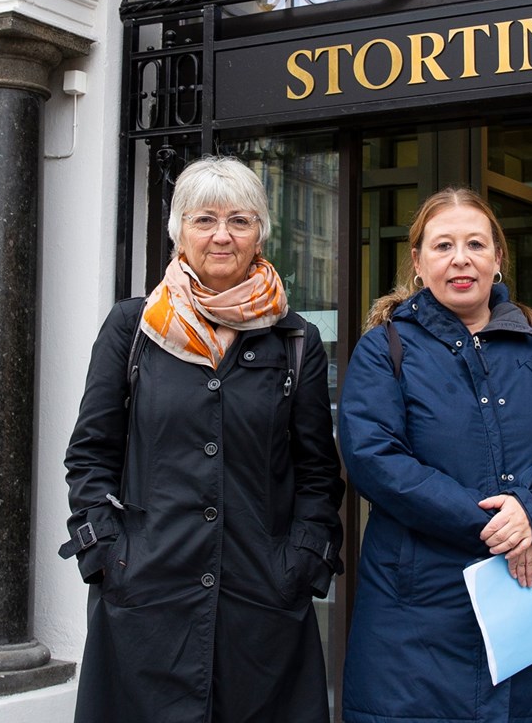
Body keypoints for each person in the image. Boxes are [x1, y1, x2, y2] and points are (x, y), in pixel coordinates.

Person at [59, 155, 344, 723]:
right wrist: (107, 556)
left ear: (260, 232)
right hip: (147, 595)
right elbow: (91, 452)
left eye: (239, 220)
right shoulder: (132, 326)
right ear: (179, 232)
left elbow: (318, 471)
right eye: (204, 220)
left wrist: (300, 565)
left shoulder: (295, 340)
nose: (222, 236)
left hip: (260, 600)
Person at [336, 187, 532, 722]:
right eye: (442, 246)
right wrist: (501, 526)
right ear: (418, 263)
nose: (460, 259)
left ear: (498, 258)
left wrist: (529, 510)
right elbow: (375, 459)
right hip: (412, 618)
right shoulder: (384, 348)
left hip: (526, 607)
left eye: (475, 244)